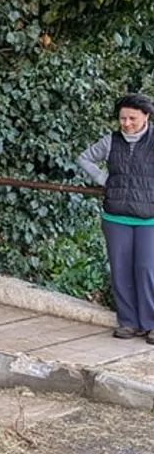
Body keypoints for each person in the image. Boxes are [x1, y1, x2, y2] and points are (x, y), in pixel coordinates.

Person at [78, 93, 154, 340]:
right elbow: (84, 158)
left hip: (149, 219)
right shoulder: (111, 140)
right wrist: (104, 179)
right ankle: (128, 322)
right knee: (120, 270)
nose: (127, 123)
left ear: (146, 116)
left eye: (132, 118)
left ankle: (151, 322)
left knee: (147, 269)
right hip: (116, 217)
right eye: (122, 118)